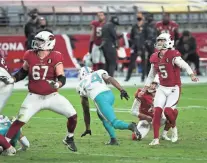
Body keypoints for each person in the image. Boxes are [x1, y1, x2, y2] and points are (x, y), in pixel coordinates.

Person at [0, 31, 78, 152]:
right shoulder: (30, 54)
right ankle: (5, 144)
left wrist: (57, 84)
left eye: (40, 41)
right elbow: (23, 72)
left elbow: (62, 77)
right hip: (34, 97)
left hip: (52, 96)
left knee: (73, 115)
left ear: (49, 42)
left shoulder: (56, 56)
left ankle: (69, 137)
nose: (37, 42)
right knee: (19, 121)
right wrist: (13, 79)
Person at [138, 33, 198, 145]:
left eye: (162, 40)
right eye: (159, 40)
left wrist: (191, 74)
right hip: (162, 87)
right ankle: (156, 139)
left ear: (168, 42)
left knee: (168, 111)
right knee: (157, 112)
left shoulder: (173, 54)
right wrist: (144, 88)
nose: (159, 42)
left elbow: (184, 64)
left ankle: (174, 129)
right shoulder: (155, 56)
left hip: (174, 88)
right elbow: (151, 75)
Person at [76, 66, 141, 145]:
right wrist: (121, 89)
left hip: (100, 98)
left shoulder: (80, 84)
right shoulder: (98, 72)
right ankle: (113, 139)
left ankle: (131, 126)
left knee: (114, 123)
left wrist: (88, 128)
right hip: (109, 95)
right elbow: (110, 79)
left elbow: (86, 109)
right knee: (101, 115)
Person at [125, 12, 146, 82]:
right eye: (138, 17)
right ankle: (128, 77)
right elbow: (131, 37)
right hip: (135, 48)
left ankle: (143, 78)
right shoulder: (134, 27)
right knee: (132, 62)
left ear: (143, 17)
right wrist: (133, 45)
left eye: (140, 16)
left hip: (143, 47)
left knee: (144, 63)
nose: (139, 18)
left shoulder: (145, 27)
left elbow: (148, 37)